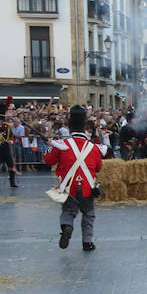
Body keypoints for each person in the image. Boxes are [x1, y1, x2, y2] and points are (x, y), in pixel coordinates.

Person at [45, 106, 104, 251]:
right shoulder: (94, 147)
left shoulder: (62, 145)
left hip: (68, 186)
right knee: (88, 214)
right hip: (87, 188)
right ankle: (87, 242)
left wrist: (48, 147)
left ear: (70, 128)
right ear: (84, 128)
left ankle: (67, 226)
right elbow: (98, 168)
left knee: (68, 212)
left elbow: (48, 161)